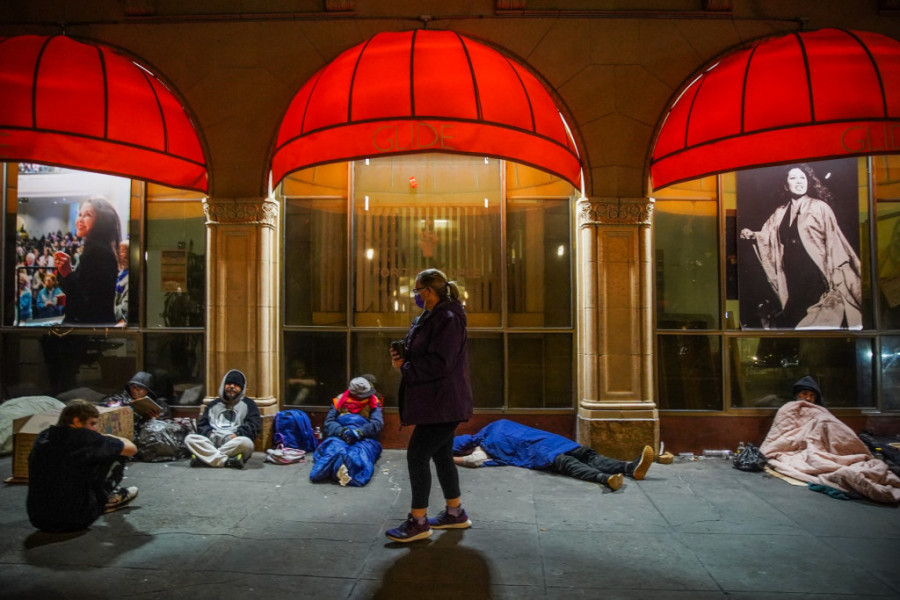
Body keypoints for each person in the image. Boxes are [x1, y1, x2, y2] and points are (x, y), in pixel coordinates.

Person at [385, 268, 474, 543]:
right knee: (442, 454)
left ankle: (419, 521)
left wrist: (407, 367)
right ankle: (454, 512)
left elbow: (441, 362)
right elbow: (429, 351)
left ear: (430, 291)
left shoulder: (447, 317)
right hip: (439, 401)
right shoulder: (433, 315)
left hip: (443, 402)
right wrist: (405, 354)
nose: (415, 296)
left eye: (417, 291)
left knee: (417, 454)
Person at [740, 164, 862, 329]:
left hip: (815, 277)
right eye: (793, 178)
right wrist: (753, 235)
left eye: (802, 178)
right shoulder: (780, 212)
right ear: (785, 184)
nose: (799, 182)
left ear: (808, 182)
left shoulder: (820, 207)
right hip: (790, 279)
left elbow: (834, 241)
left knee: (816, 321)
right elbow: (767, 236)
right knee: (793, 318)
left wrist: (836, 276)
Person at [27, 400, 139, 532]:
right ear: (76, 421)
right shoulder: (84, 438)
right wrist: (106, 436)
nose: (94, 429)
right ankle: (107, 498)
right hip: (76, 519)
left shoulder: (44, 436)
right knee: (116, 455)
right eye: (92, 424)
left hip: (38, 518)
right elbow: (131, 449)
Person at [453, 419, 654, 490]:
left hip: (542, 453)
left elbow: (474, 460)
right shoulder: (497, 424)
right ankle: (628, 468)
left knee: (569, 465)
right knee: (588, 455)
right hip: (556, 441)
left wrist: (449, 459)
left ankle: (606, 479)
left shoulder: (484, 444)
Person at [55, 196, 121, 325]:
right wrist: (64, 273)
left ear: (101, 221)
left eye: (87, 215)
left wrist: (67, 273)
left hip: (90, 330)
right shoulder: (97, 248)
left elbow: (87, 304)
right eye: (80, 214)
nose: (80, 219)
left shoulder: (97, 252)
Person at [309, 376, 384, 486]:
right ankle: (337, 467)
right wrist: (341, 431)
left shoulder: (373, 401)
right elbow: (329, 423)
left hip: (364, 436)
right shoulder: (339, 401)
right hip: (341, 434)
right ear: (353, 393)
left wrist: (360, 432)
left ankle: (342, 468)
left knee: (359, 453)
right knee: (334, 449)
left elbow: (377, 423)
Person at [185, 369, 261, 469]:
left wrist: (236, 435)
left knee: (246, 443)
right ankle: (227, 461)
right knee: (189, 439)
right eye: (229, 383)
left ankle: (205, 458)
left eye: (236, 385)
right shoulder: (213, 405)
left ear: (242, 388)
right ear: (223, 385)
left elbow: (254, 426)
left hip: (233, 442)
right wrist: (209, 434)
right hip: (212, 441)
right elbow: (202, 425)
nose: (232, 386)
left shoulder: (249, 405)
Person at [103, 371, 170, 437]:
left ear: (147, 391)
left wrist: (156, 421)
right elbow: (106, 402)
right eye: (132, 387)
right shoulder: (123, 399)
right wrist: (113, 405)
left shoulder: (160, 405)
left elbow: (166, 426)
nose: (134, 390)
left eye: (139, 389)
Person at [114, 240, 129, 325]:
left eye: (125, 251)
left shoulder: (131, 279)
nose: (122, 255)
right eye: (120, 251)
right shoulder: (120, 274)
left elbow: (124, 309)